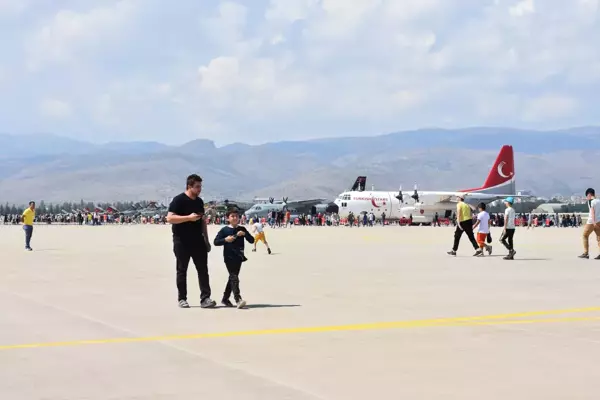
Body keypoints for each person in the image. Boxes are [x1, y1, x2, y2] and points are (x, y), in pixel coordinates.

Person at [166, 174, 216, 309]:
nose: (200, 189)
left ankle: (205, 298)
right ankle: (182, 298)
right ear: (189, 186)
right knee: (182, 270)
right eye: (197, 187)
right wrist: (188, 218)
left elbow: (203, 222)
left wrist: (206, 239)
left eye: (200, 186)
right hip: (181, 241)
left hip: (198, 240)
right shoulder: (178, 200)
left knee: (203, 270)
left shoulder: (199, 202)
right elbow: (169, 218)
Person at [213, 208, 255, 308]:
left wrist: (245, 234)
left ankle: (225, 299)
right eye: (232, 216)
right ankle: (238, 299)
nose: (235, 218)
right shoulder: (224, 230)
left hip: (239, 256)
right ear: (228, 218)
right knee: (234, 277)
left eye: (236, 216)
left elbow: (252, 240)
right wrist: (225, 240)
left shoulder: (242, 229)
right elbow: (216, 242)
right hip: (229, 257)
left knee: (232, 277)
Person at [579, 188, 600, 259]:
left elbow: (592, 211)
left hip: (591, 222)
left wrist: (594, 222)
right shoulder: (599, 201)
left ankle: (586, 253)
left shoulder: (590, 201)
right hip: (599, 221)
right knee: (599, 238)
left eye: (587, 196)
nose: (587, 198)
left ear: (589, 195)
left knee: (585, 235)